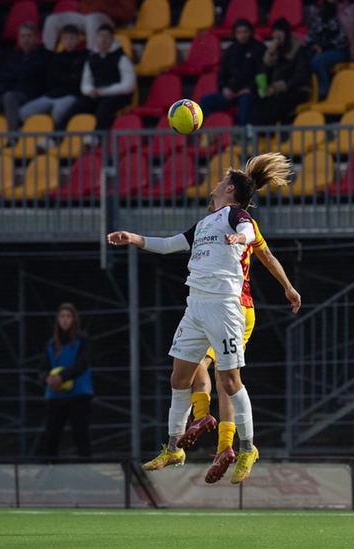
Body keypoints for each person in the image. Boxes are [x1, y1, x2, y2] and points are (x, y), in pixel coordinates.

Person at [107, 153, 293, 484]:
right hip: (195, 305)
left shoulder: (236, 216)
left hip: (224, 306)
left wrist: (240, 238)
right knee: (179, 378)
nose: (216, 185)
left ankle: (248, 447)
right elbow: (167, 245)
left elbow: (249, 231)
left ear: (231, 190)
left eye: (222, 181)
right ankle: (175, 447)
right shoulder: (205, 223)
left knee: (230, 381)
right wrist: (134, 238)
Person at [176, 215, 302, 484]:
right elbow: (266, 256)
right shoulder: (210, 226)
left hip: (237, 308)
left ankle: (227, 445)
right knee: (196, 364)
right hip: (214, 306)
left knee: (227, 379)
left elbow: (266, 255)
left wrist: (289, 287)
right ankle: (204, 421)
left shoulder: (241, 222)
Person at [43, 303, 95, 458]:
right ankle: (49, 469)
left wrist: (62, 377)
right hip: (55, 395)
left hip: (78, 395)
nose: (65, 320)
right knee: (51, 435)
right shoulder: (51, 344)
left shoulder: (82, 340)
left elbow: (82, 364)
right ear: (57, 320)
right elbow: (42, 368)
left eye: (68, 316)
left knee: (81, 434)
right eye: (62, 316)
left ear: (74, 319)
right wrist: (47, 379)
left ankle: (86, 469)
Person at [19, 24, 87, 128]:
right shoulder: (55, 57)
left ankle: (55, 139)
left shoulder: (84, 57)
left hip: (71, 95)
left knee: (59, 111)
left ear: (78, 40)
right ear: (61, 40)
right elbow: (51, 80)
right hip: (51, 95)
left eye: (72, 38)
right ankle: (39, 134)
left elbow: (77, 81)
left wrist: (64, 80)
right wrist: (67, 79)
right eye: (66, 38)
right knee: (24, 112)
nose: (69, 41)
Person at [198, 19, 264, 126]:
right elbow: (222, 74)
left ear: (251, 32)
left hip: (248, 93)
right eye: (239, 32)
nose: (242, 35)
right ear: (235, 34)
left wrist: (249, 89)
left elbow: (261, 74)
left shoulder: (259, 49)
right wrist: (224, 88)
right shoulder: (230, 51)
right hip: (230, 93)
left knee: (246, 102)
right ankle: (210, 131)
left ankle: (241, 136)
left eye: (245, 32)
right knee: (205, 101)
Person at [71, 24, 135, 131]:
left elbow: (129, 86)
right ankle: (56, 139)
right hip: (97, 94)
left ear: (112, 39)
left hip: (119, 96)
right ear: (96, 39)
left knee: (104, 107)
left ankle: (97, 138)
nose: (103, 39)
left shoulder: (121, 58)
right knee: (77, 106)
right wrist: (90, 90)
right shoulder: (91, 58)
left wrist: (102, 92)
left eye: (107, 36)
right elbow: (85, 83)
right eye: (100, 36)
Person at [250, 18, 310, 126]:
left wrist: (280, 86)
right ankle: (253, 135)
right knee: (254, 99)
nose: (277, 35)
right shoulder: (274, 50)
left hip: (296, 91)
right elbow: (263, 73)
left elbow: (301, 77)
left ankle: (269, 134)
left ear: (287, 33)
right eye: (275, 32)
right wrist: (269, 57)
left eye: (281, 31)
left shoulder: (298, 50)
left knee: (273, 104)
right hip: (274, 90)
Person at [41, 0, 135, 52]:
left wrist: (103, 7)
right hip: (86, 17)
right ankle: (46, 56)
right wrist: (88, 9)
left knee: (92, 20)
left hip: (109, 20)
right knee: (52, 20)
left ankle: (91, 58)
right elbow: (82, 6)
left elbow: (127, 14)